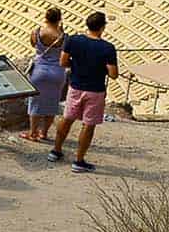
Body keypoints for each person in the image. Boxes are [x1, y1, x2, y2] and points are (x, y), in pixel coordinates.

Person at [52, 11, 119, 173]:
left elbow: (63, 61)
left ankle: (56, 151)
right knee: (88, 125)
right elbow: (113, 74)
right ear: (102, 27)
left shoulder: (73, 40)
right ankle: (79, 161)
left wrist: (77, 66)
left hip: (75, 86)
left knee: (67, 118)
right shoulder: (107, 48)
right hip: (95, 90)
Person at [24, 10, 69, 142]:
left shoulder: (37, 32)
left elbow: (33, 44)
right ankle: (44, 133)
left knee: (35, 102)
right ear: (59, 19)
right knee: (52, 103)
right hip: (58, 72)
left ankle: (33, 133)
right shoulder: (64, 37)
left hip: (39, 70)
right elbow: (65, 52)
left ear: (45, 18)